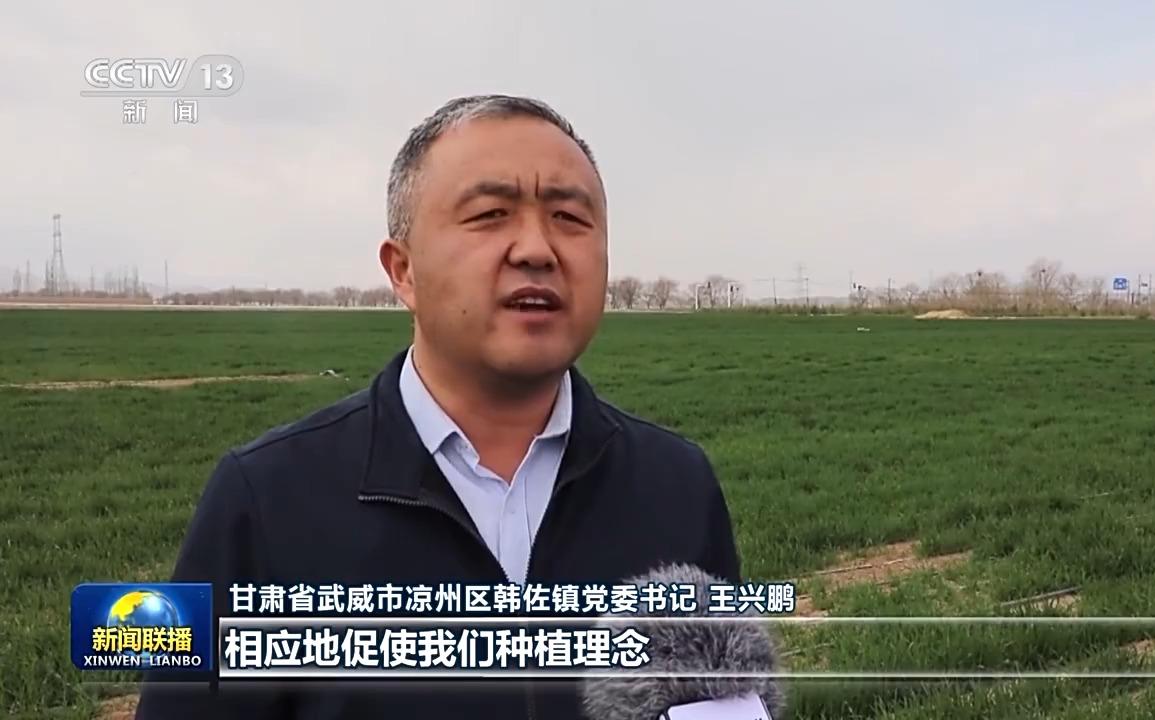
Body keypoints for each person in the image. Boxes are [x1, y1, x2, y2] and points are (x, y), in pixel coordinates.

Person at [136, 94, 741, 719]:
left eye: (569, 217)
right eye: (490, 214)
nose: (537, 249)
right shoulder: (266, 499)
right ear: (403, 271)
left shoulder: (677, 486)